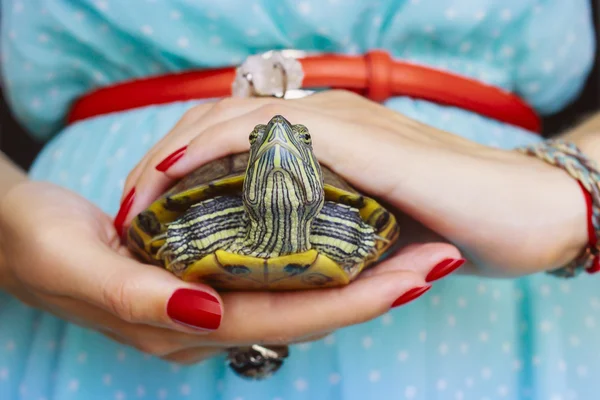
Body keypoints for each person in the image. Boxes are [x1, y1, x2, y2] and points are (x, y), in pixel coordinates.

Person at [0, 1, 598, 399]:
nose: (281, 138)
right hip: (66, 293)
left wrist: (571, 186)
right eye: (270, 138)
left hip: (496, 315)